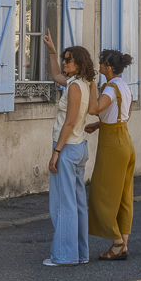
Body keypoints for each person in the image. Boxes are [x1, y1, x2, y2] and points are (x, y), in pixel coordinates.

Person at [41, 31, 94, 266]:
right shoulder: (83, 83)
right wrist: (52, 50)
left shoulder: (74, 87)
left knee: (64, 204)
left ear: (79, 63)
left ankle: (64, 256)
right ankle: (80, 254)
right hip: (79, 147)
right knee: (78, 203)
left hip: (68, 147)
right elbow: (55, 74)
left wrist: (56, 152)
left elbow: (70, 122)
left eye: (69, 59)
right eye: (64, 58)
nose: (64, 62)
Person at [85, 49, 136, 260]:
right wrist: (100, 125)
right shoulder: (124, 86)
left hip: (112, 146)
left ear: (109, 67)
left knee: (101, 193)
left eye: (102, 64)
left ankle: (116, 243)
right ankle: (123, 243)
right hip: (125, 140)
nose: (100, 66)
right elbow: (123, 114)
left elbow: (94, 108)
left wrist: (90, 85)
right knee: (124, 196)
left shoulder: (109, 88)